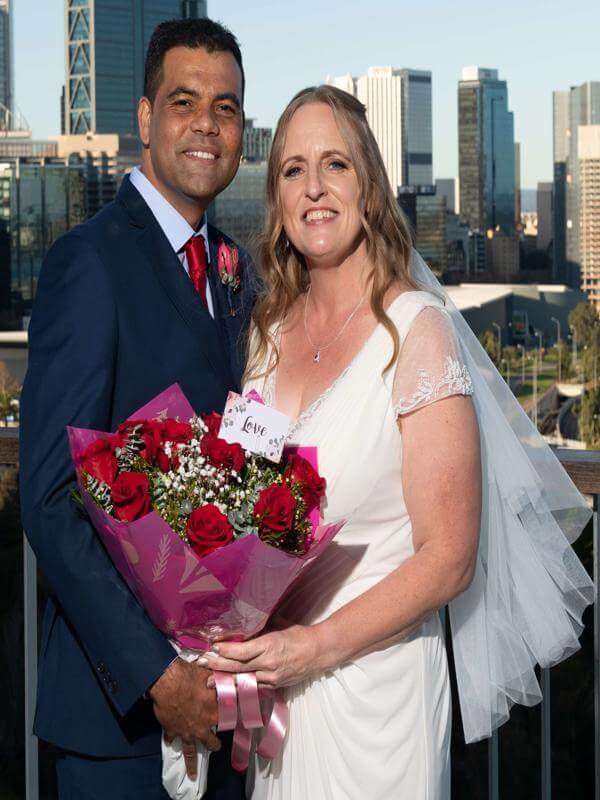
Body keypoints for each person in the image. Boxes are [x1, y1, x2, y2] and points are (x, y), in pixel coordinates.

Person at [205, 86, 594, 799]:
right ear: (276, 196)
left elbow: (449, 559)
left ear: (370, 187)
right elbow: (241, 505)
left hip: (375, 702)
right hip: (274, 695)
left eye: (335, 165)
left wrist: (309, 649)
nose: (314, 188)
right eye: (293, 169)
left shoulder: (417, 332)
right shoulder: (265, 332)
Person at [20, 18, 255, 800]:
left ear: (241, 132)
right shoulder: (89, 261)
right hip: (115, 718)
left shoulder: (233, 271)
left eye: (225, 108)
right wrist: (156, 675)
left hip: (222, 699)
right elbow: (52, 499)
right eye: (184, 102)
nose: (206, 125)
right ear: (147, 118)